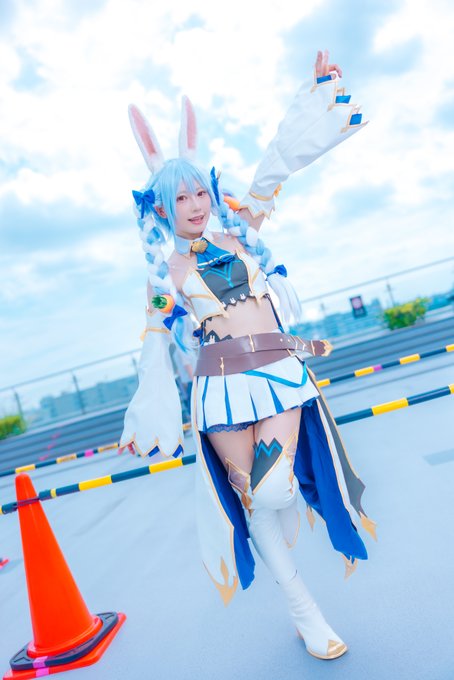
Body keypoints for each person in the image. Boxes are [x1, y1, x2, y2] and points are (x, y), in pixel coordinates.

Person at [120, 50, 376, 661]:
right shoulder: (164, 272)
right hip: (221, 393)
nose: (195, 204)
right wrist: (149, 416)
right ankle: (305, 613)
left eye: (198, 191)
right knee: (255, 499)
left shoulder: (240, 232)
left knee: (278, 489)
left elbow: (278, 164)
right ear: (161, 208)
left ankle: (288, 534)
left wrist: (319, 95)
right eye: (180, 198)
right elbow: (154, 348)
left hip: (279, 377)